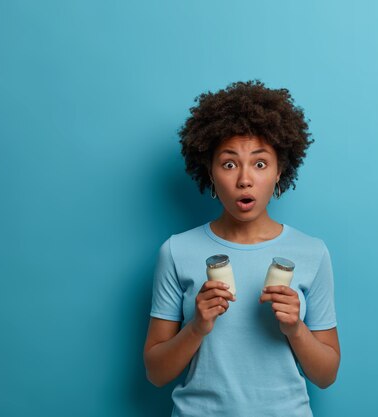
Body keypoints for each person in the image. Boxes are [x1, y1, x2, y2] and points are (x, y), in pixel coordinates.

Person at [143, 80, 340, 417]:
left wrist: (295, 328)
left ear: (280, 171)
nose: (245, 180)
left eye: (260, 164)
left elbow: (326, 375)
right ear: (210, 172)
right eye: (230, 164)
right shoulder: (176, 251)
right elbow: (156, 373)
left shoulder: (312, 252)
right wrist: (197, 327)